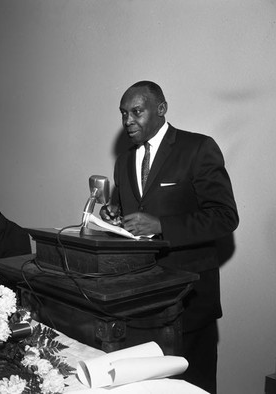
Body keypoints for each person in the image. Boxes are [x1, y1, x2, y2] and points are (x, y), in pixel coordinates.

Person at [100, 81, 239, 393]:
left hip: (188, 302)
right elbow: (134, 213)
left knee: (193, 387)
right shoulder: (123, 161)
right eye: (123, 114)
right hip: (138, 302)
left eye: (136, 111)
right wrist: (116, 214)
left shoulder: (198, 148)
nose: (127, 121)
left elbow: (225, 216)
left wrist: (162, 224)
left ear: (161, 109)